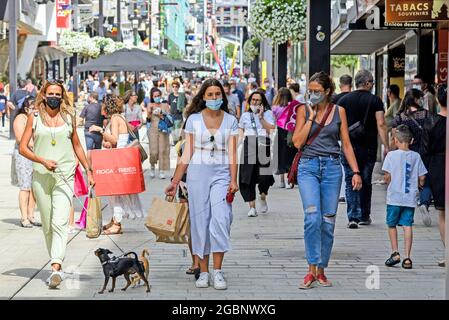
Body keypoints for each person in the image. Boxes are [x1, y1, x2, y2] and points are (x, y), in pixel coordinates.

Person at [19, 80, 94, 289]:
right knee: (48, 223)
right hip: (41, 176)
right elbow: (23, 148)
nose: (54, 97)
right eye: (50, 93)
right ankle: (55, 260)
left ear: (62, 97)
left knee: (60, 221)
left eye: (57, 94)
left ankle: (55, 267)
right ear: (43, 95)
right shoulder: (34, 118)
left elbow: (77, 145)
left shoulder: (69, 117)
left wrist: (88, 169)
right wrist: (42, 161)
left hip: (64, 174)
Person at [165, 79, 239, 290]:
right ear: (203, 97)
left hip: (222, 173)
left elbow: (233, 153)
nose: (214, 98)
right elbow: (186, 153)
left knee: (221, 219)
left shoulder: (231, 121)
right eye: (210, 94)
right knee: (200, 223)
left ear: (222, 97)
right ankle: (203, 272)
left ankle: (218, 271)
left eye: (218, 94)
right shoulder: (194, 120)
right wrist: (175, 181)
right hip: (198, 173)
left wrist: (234, 180)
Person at [292, 71, 362, 289]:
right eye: (310, 91)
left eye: (317, 91)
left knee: (328, 222)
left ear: (328, 91)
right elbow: (297, 142)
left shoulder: (339, 111)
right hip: (308, 167)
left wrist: (356, 171)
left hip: (332, 168)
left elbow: (346, 144)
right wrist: (312, 117)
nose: (312, 94)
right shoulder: (303, 110)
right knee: (312, 217)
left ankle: (321, 269)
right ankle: (310, 268)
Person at [338, 70, 389, 228]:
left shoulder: (344, 100)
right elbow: (381, 123)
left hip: (348, 147)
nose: (373, 85)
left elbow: (339, 125)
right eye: (372, 82)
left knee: (350, 179)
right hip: (368, 147)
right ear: (367, 83)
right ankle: (364, 215)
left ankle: (352, 216)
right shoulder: (375, 101)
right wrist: (386, 146)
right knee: (366, 181)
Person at [89, 94, 144, 235]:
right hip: (119, 157)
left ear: (108, 106)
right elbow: (118, 139)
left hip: (118, 160)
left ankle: (117, 224)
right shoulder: (119, 117)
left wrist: (99, 130)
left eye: (103, 105)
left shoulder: (115, 119)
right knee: (114, 191)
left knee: (115, 192)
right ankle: (114, 220)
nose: (101, 107)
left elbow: (114, 140)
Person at [383, 125, 427, 270]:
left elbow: (387, 176)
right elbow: (422, 177)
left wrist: (389, 182)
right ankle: (408, 258)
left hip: (394, 197)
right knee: (407, 225)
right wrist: (419, 185)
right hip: (410, 198)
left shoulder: (390, 155)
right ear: (411, 140)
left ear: (395, 140)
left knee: (392, 224)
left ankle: (395, 252)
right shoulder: (416, 156)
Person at [392, 89, 432, 226]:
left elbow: (395, 138)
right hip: (424, 153)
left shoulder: (399, 117)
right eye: (420, 98)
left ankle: (406, 216)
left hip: (405, 153)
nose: (422, 100)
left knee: (406, 182)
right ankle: (424, 203)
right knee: (425, 181)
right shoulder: (426, 114)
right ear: (415, 99)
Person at [420, 84, 447, 267]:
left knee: (443, 214)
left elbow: (424, 150)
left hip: (438, 167)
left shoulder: (431, 122)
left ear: (438, 100)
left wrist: (422, 175)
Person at [239, 91, 275, 217]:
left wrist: (261, 117)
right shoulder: (245, 116)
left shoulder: (268, 114)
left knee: (264, 176)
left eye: (257, 100)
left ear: (262, 102)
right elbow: (240, 130)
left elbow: (271, 129)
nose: (255, 102)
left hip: (263, 143)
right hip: (249, 143)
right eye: (253, 100)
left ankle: (263, 195)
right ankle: (252, 207)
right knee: (247, 176)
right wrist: (240, 141)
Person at [13, 96, 39, 228]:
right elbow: (19, 138)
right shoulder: (20, 118)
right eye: (32, 107)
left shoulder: (34, 118)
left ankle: (31, 215)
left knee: (33, 187)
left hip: (34, 154)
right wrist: (35, 145)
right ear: (25, 107)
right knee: (25, 187)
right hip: (23, 155)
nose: (35, 109)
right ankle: (24, 217)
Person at [271, 88, 297, 189]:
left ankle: (281, 181)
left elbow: (274, 120)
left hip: (280, 132)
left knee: (280, 156)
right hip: (291, 132)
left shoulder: (275, 108)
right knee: (290, 156)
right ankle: (288, 180)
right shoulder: (293, 106)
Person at [147, 88, 171, 179]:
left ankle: (161, 170)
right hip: (153, 129)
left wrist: (162, 115)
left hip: (163, 130)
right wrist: (149, 112)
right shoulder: (150, 104)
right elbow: (148, 119)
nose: (157, 97)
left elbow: (169, 118)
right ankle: (152, 166)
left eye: (158, 96)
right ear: (152, 97)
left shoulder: (165, 105)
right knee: (153, 151)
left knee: (162, 150)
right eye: (155, 96)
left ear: (161, 96)